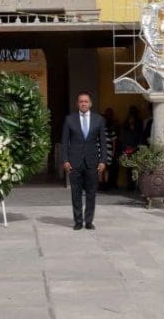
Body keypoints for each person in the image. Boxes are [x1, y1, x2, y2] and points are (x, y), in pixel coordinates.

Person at [61, 91, 107, 231]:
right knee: (76, 193)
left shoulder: (98, 119)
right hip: (74, 162)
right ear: (77, 104)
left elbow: (103, 142)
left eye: (86, 101)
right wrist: (65, 160)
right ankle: (78, 221)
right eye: (81, 101)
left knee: (91, 193)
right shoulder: (70, 119)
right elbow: (64, 142)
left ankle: (89, 221)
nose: (83, 104)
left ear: (90, 103)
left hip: (92, 162)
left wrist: (103, 161)